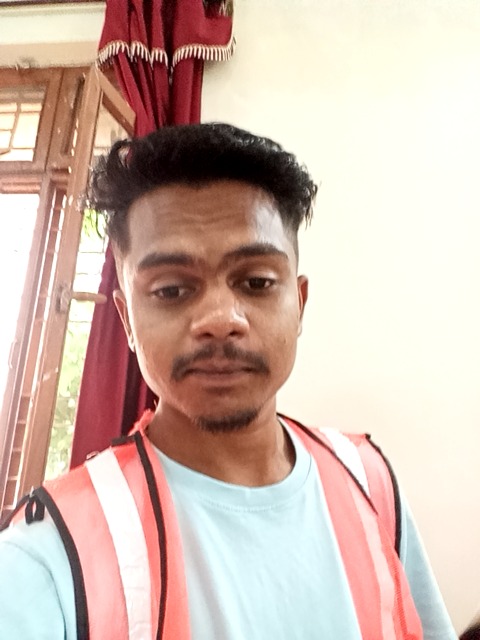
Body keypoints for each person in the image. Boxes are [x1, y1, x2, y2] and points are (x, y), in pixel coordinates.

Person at [0, 123, 456, 639]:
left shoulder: (369, 481)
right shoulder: (49, 553)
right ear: (126, 320)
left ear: (299, 303)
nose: (220, 319)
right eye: (171, 290)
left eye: (256, 282)